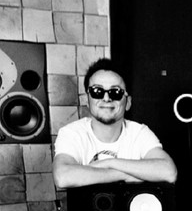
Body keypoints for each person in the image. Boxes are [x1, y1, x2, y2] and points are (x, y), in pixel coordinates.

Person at [53, 58, 177, 188]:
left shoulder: (139, 133)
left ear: (128, 102)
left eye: (116, 92)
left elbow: (168, 172)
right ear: (86, 100)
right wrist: (124, 175)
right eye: (97, 91)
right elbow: (62, 177)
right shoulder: (72, 133)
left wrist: (108, 163)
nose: (106, 98)